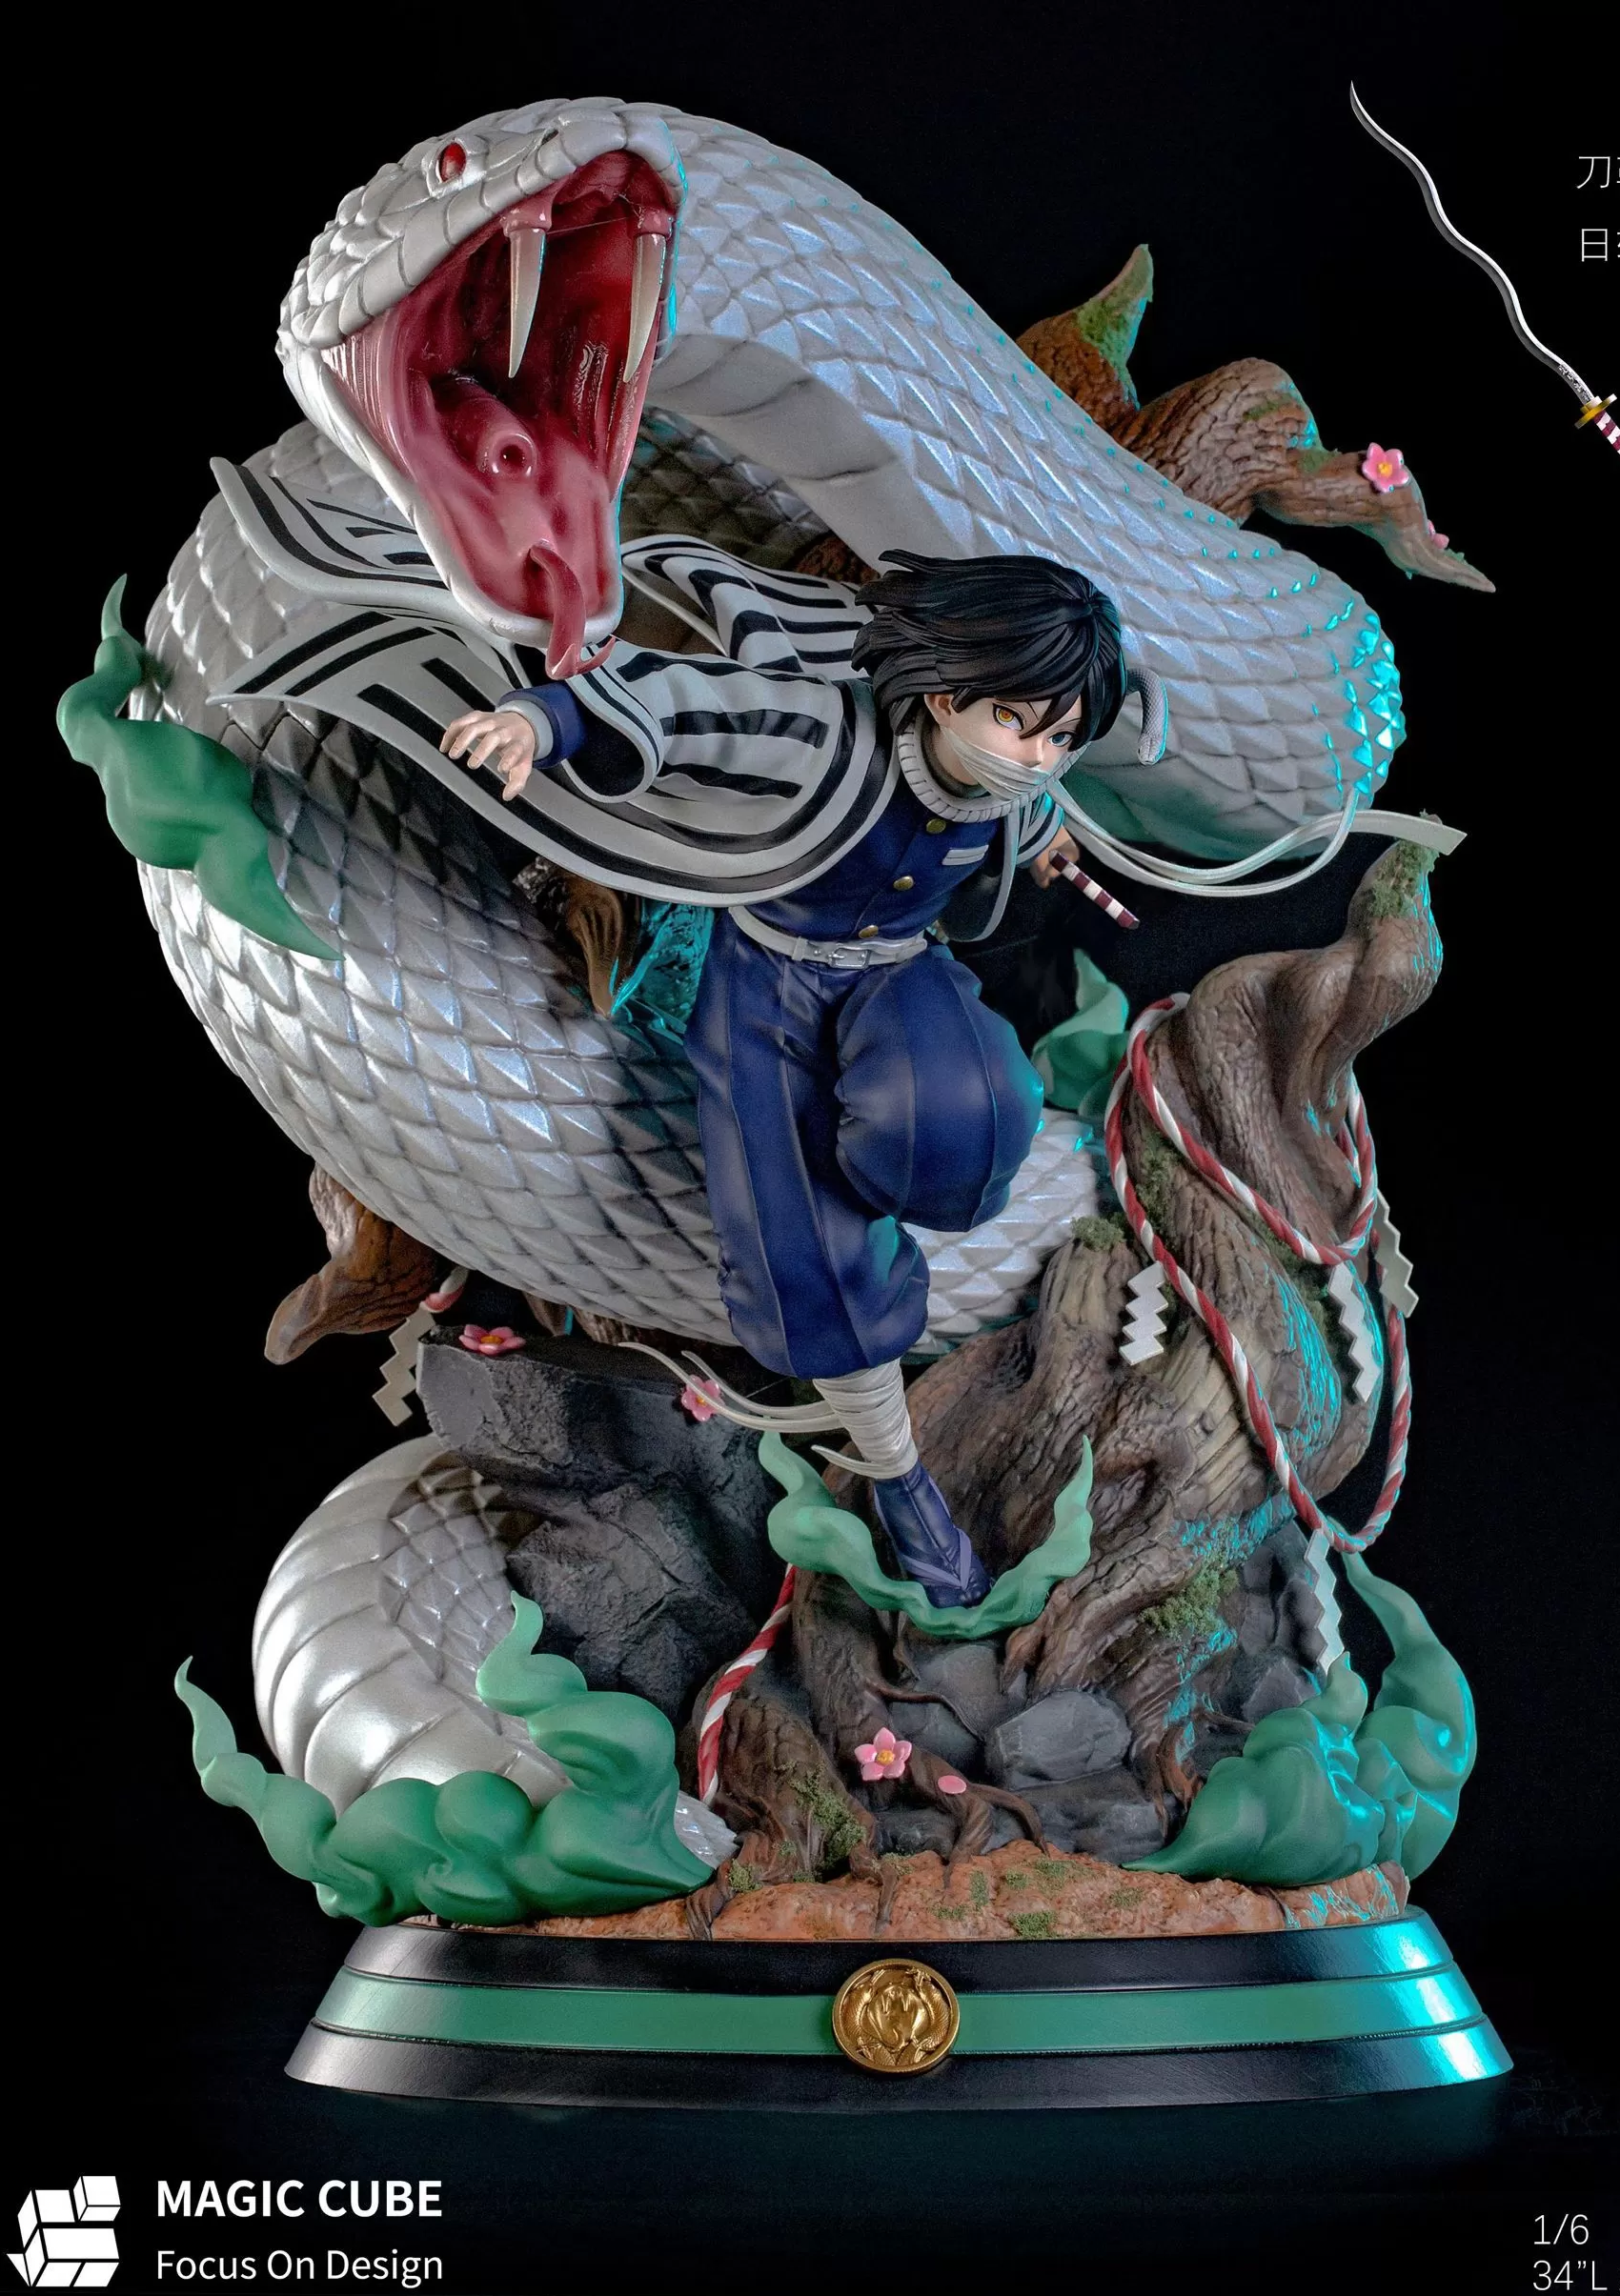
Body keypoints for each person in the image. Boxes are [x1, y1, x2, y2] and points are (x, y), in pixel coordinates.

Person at [439, 547, 1125, 1607]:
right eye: (1017, 722)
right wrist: (538, 723)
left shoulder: (1011, 782)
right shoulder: (819, 737)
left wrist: (1041, 839)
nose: (1039, 756)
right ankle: (900, 1481)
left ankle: (896, 1171)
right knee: (804, 1250)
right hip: (770, 986)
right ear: (944, 693)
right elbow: (678, 703)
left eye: (1063, 738)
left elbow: (1026, 802)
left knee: (975, 1115)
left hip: (897, 972)